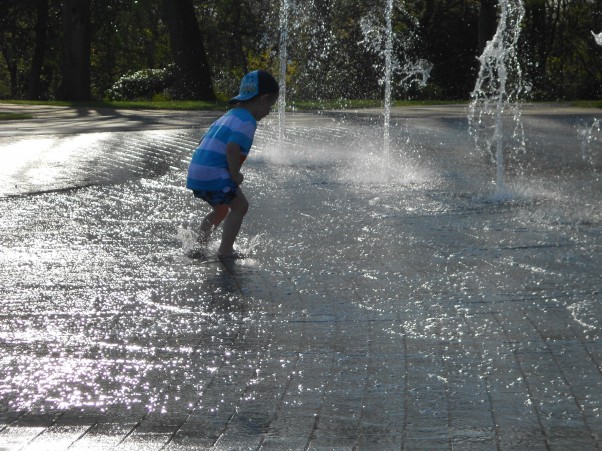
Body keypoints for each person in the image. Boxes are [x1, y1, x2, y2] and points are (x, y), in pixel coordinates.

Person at [186, 70, 279, 259]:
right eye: (271, 105)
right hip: (214, 173)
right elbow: (232, 147)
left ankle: (199, 247)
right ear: (263, 99)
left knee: (220, 210)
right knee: (240, 206)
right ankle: (226, 251)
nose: (270, 111)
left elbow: (203, 141)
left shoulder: (229, 115)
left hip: (197, 172)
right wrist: (235, 174)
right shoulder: (248, 121)